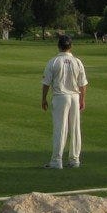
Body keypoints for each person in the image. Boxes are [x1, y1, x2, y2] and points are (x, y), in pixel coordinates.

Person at [41, 34, 89, 169]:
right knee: (75, 128)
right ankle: (74, 160)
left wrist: (43, 98)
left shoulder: (54, 61)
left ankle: (57, 161)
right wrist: (82, 99)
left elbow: (46, 83)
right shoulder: (77, 62)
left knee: (60, 128)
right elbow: (83, 83)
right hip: (74, 96)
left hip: (60, 96)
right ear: (71, 46)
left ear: (58, 46)